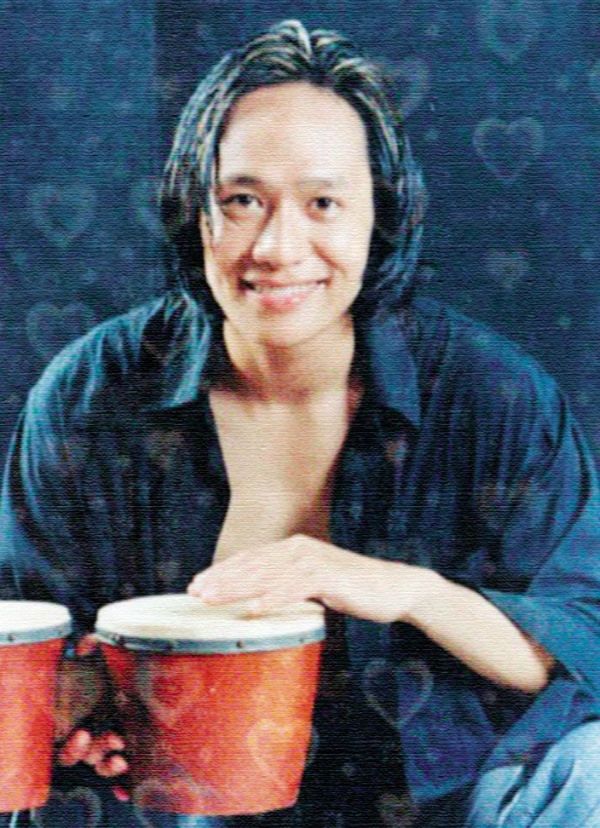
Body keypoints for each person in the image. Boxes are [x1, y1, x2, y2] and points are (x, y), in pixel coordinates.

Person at [1, 18, 600, 828]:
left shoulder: (492, 395)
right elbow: (33, 627)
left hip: (444, 808)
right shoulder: (91, 394)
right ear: (196, 211)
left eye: (323, 203)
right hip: (182, 806)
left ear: (378, 214)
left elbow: (581, 647)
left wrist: (402, 589)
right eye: (243, 201)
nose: (281, 248)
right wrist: (83, 705)